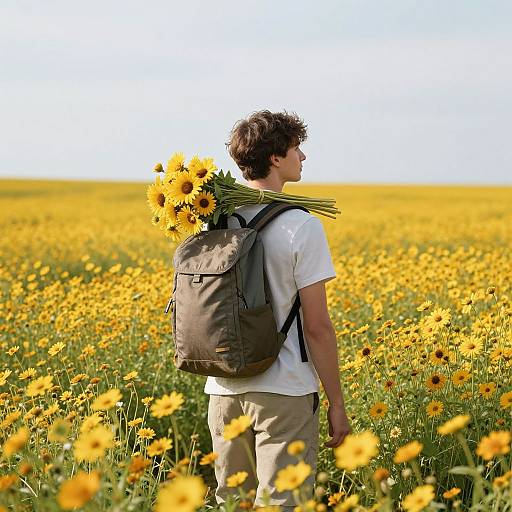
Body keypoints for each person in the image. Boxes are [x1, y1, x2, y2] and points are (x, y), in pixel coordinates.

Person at [204, 110, 351, 510]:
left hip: (222, 388)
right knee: (284, 503)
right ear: (275, 158)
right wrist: (337, 403)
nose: (302, 157)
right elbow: (317, 327)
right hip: (283, 390)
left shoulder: (214, 221)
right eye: (295, 148)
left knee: (234, 502)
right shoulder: (301, 226)